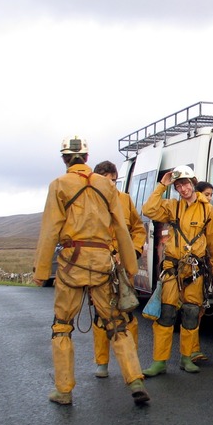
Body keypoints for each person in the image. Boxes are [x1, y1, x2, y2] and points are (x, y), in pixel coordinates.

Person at [33, 137, 149, 406]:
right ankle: (135, 381)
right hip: (103, 263)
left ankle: (64, 392)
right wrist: (131, 267)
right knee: (117, 323)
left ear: (64, 159)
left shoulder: (59, 185)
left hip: (72, 264)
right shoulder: (105, 185)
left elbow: (50, 229)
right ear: (86, 157)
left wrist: (41, 271)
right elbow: (121, 227)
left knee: (62, 326)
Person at [140, 166, 213, 376]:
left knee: (191, 313)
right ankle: (159, 361)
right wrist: (163, 185)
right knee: (166, 314)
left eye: (185, 184)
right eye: (178, 186)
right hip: (173, 269)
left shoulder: (207, 209)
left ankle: (187, 358)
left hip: (196, 270)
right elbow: (148, 209)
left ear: (193, 183)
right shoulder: (172, 207)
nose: (183, 188)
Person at [90, 161, 147, 379]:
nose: (110, 184)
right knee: (100, 317)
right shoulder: (88, 202)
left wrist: (133, 251)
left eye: (113, 180)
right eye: (105, 180)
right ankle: (102, 363)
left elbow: (138, 228)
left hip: (122, 267)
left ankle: (132, 362)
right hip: (97, 266)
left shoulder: (125, 200)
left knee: (127, 313)